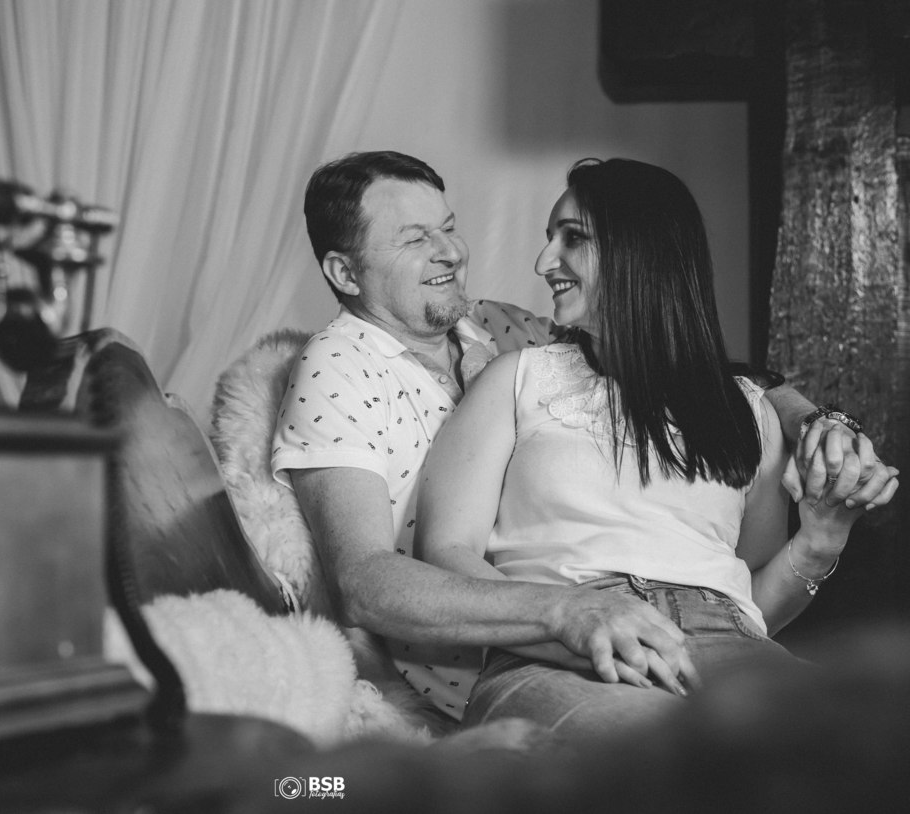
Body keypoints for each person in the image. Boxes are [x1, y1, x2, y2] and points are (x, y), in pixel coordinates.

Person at [271, 150, 895, 724]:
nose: (453, 252)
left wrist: (814, 432)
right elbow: (373, 578)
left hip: (722, 639)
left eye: (448, 226)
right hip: (543, 641)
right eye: (414, 238)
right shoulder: (362, 367)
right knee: (646, 760)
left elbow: (696, 375)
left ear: (639, 252)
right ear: (345, 272)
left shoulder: (497, 329)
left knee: (869, 743)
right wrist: (569, 613)